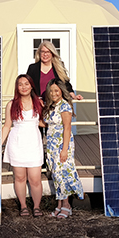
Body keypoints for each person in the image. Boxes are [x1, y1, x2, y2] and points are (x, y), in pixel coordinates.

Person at [1, 75, 45, 216]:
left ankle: (37, 206)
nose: (24, 87)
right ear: (17, 87)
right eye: (20, 84)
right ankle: (23, 206)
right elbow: (7, 125)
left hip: (34, 143)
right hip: (17, 143)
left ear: (31, 86)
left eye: (27, 84)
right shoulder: (11, 104)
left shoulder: (39, 103)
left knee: (35, 178)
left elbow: (43, 122)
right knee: (19, 178)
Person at [42, 79, 84, 218]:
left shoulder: (64, 106)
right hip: (52, 145)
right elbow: (47, 124)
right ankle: (59, 205)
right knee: (56, 174)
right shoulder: (51, 106)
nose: (53, 93)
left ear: (61, 91)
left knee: (63, 173)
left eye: (56, 90)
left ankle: (67, 205)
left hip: (62, 145)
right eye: (51, 91)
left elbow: (67, 128)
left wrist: (64, 149)